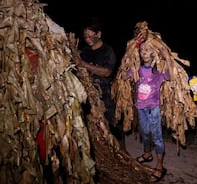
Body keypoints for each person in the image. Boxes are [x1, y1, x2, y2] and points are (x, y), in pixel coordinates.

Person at [121, 40, 174, 183]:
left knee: (156, 136)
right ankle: (147, 154)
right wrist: (124, 59)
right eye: (143, 49)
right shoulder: (137, 69)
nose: (145, 52)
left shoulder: (159, 71)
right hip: (141, 108)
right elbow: (125, 76)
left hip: (153, 108)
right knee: (144, 132)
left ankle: (160, 165)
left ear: (155, 52)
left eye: (149, 49)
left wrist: (167, 57)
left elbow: (171, 76)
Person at [74, 16, 125, 148]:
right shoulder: (84, 51)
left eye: (91, 36)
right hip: (90, 95)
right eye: (85, 37)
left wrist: (84, 65)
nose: (88, 39)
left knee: (113, 128)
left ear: (99, 34)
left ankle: (121, 153)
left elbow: (107, 72)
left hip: (107, 96)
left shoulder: (108, 51)